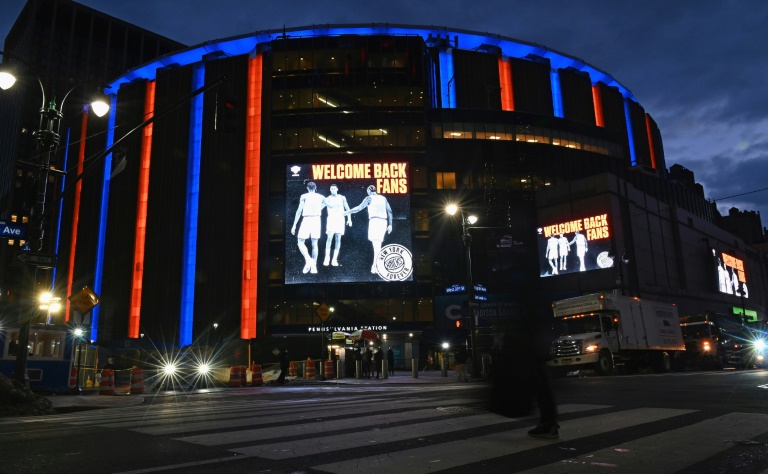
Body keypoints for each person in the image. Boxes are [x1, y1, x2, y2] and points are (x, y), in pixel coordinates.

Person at [489, 307, 559, 439]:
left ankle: (547, 422)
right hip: (532, 336)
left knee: (535, 378)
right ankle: (548, 422)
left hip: (525, 336)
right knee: (539, 380)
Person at [344, 185, 393, 273]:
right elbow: (390, 211)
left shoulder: (369, 198)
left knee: (376, 245)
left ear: (369, 191)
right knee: (378, 245)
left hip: (375, 221)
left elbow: (358, 208)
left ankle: (376, 266)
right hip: (384, 222)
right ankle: (375, 266)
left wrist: (348, 212)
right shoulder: (383, 198)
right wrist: (390, 225)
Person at [291, 181, 327, 274]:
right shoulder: (321, 197)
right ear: (315, 188)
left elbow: (299, 211)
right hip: (316, 220)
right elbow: (327, 203)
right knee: (315, 244)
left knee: (300, 242)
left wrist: (294, 225)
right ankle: (312, 264)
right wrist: (319, 208)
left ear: (307, 188)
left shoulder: (304, 196)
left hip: (307, 219)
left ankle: (309, 260)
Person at [323, 184, 352, 266]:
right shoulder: (327, 198)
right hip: (331, 219)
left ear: (337, 189)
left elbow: (347, 209)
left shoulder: (342, 197)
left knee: (338, 239)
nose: (332, 190)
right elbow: (321, 207)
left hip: (340, 219)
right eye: (331, 189)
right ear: (330, 190)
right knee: (329, 238)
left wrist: (349, 219)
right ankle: (327, 257)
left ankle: (334, 259)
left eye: (334, 189)